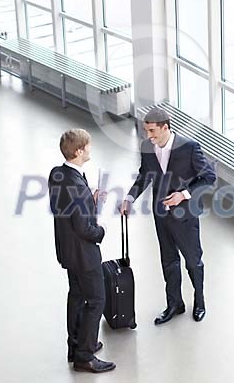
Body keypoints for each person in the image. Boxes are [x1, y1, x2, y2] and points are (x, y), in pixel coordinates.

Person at [122, 108, 216, 325]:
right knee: (168, 261)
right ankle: (174, 304)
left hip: (185, 215)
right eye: (146, 131)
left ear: (166, 127)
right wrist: (130, 198)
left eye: (152, 131)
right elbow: (145, 176)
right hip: (161, 215)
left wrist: (183, 194)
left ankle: (199, 301)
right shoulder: (147, 147)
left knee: (193, 262)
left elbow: (208, 177)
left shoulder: (190, 147)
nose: (148, 136)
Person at [48, 129, 116, 374]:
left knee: (76, 295)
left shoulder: (58, 174)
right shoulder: (76, 184)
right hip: (84, 254)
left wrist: (91, 198)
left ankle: (75, 345)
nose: (90, 149)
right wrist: (103, 228)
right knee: (97, 299)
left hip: (67, 251)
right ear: (78, 151)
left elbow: (71, 208)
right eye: (87, 146)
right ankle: (85, 356)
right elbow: (85, 228)